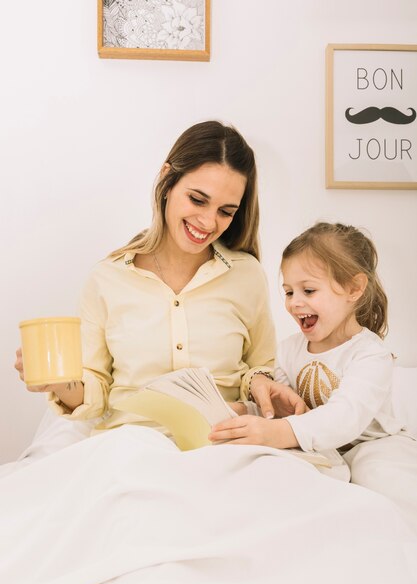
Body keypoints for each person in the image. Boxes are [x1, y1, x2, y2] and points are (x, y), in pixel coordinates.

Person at [14, 120, 304, 438]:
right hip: (132, 443)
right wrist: (58, 381)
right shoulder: (107, 279)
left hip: (221, 443)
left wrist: (261, 383)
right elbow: (93, 395)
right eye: (197, 199)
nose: (208, 222)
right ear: (167, 178)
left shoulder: (246, 274)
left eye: (226, 211)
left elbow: (257, 367)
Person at [210, 222, 417, 530]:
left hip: (372, 443)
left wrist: (278, 432)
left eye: (308, 290)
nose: (294, 302)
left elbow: (344, 417)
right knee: (281, 483)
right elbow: (282, 409)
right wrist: (245, 411)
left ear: (354, 288)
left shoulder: (370, 355)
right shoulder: (289, 349)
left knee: (382, 480)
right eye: (289, 291)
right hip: (317, 447)